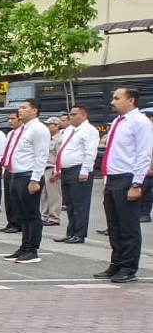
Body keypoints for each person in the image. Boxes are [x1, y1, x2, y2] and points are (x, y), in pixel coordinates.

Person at [95, 86, 152, 284]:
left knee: (128, 227)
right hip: (112, 177)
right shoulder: (118, 122)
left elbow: (144, 154)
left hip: (127, 177)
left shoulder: (140, 122)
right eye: (113, 97)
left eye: (117, 98)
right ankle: (117, 263)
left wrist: (137, 183)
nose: (112, 101)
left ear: (131, 101)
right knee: (114, 225)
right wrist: (106, 179)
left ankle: (128, 267)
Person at [2, 100, 50, 263]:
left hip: (28, 176)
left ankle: (32, 249)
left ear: (34, 111)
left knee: (32, 214)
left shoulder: (38, 129)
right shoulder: (21, 129)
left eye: (24, 108)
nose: (19, 110)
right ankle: (24, 246)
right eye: (20, 107)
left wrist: (35, 179)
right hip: (16, 174)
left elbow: (41, 155)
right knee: (22, 214)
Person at [53, 106, 98, 244]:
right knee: (70, 204)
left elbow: (90, 152)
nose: (71, 117)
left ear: (84, 115)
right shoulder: (69, 130)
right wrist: (58, 168)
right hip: (66, 170)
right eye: (70, 114)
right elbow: (62, 150)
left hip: (78, 169)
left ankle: (79, 233)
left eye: (74, 114)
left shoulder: (89, 130)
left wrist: (85, 170)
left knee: (80, 204)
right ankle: (71, 232)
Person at [41, 119, 63, 226]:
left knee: (54, 194)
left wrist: (57, 171)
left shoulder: (60, 139)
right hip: (44, 168)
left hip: (52, 168)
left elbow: (60, 156)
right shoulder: (47, 138)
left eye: (50, 125)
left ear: (57, 126)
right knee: (45, 194)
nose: (48, 127)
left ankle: (54, 217)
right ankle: (45, 215)